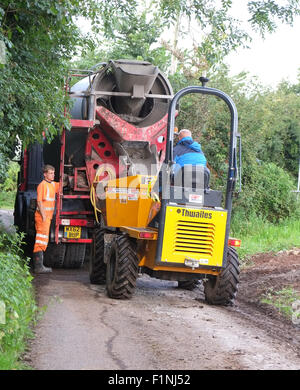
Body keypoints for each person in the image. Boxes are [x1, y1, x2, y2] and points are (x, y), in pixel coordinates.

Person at [32, 165, 59, 273]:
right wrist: (43, 216)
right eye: (51, 173)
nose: (53, 175)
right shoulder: (42, 185)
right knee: (40, 240)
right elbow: (39, 202)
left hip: (47, 217)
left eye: (54, 173)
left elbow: (62, 184)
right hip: (42, 217)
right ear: (45, 174)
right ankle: (38, 267)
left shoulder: (53, 185)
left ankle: (39, 266)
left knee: (43, 239)